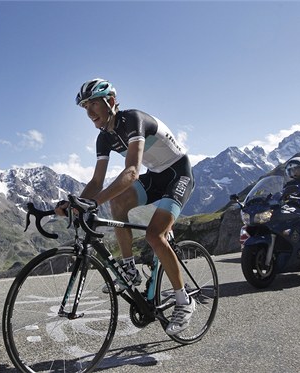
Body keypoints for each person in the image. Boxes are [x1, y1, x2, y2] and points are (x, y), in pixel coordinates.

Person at [55, 78, 195, 335]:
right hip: (156, 176)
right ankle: (129, 269)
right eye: (85, 107)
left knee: (155, 235)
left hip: (178, 174)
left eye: (93, 104)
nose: (89, 112)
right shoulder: (103, 138)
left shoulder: (133, 120)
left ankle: (184, 301)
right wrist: (76, 203)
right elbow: (97, 181)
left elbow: (131, 172)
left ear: (110, 101)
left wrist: (94, 203)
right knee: (118, 202)